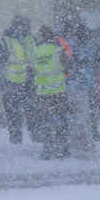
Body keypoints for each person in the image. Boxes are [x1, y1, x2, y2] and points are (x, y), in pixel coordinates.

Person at [0, 16, 35, 144]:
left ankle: (36, 138)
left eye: (25, 26)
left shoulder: (32, 40)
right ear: (14, 26)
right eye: (20, 25)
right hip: (12, 84)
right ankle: (16, 139)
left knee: (34, 113)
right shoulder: (4, 42)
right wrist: (4, 83)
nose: (23, 28)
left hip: (31, 83)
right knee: (13, 114)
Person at [31, 24, 70, 159]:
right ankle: (62, 149)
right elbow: (69, 67)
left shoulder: (34, 52)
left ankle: (47, 149)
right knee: (61, 120)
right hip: (58, 92)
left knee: (46, 121)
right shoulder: (58, 50)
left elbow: (30, 71)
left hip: (42, 93)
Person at [61, 16, 99, 153]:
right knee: (79, 116)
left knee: (85, 115)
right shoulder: (73, 45)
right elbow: (71, 62)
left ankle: (86, 140)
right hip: (76, 86)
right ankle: (81, 142)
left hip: (85, 85)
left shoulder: (88, 45)